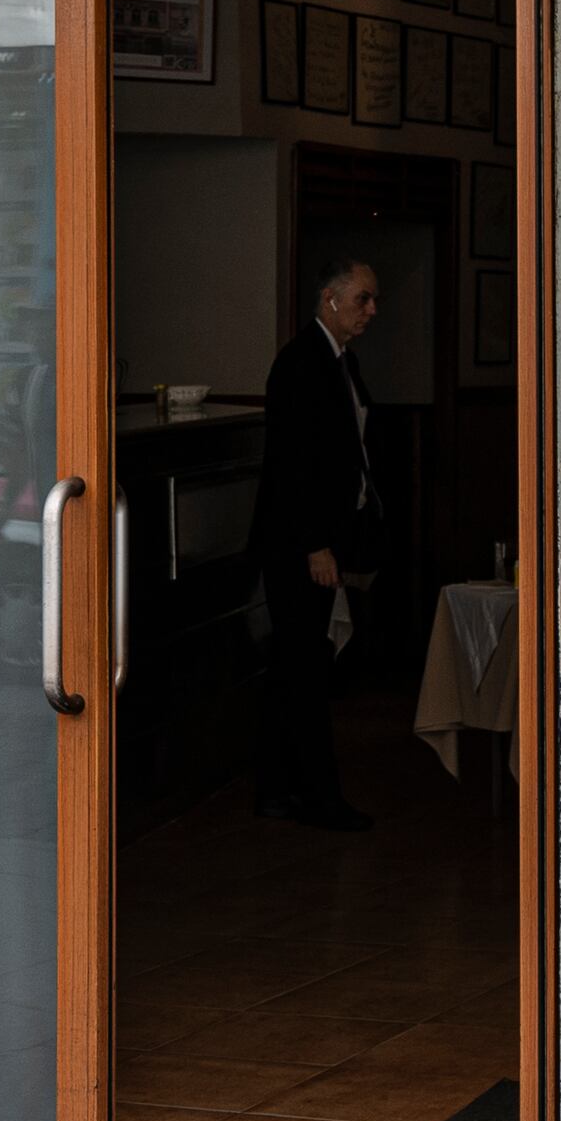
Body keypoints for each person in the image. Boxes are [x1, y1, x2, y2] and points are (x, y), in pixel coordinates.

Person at [248, 254, 388, 832]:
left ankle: (283, 789)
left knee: (299, 668)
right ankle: (316, 796)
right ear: (330, 299)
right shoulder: (299, 363)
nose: (372, 310)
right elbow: (291, 465)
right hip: (297, 544)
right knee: (303, 669)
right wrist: (314, 545)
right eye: (363, 299)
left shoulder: (341, 362)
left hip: (325, 535)